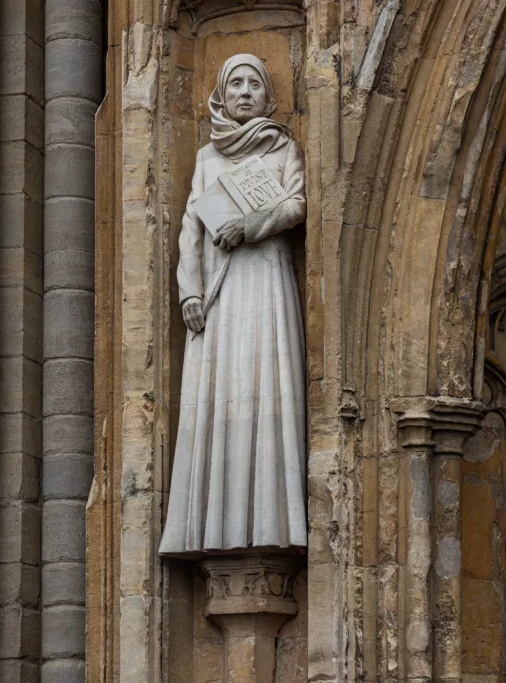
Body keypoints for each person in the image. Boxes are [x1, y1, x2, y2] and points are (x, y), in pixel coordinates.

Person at [158, 53, 307, 556]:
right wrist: (191, 291)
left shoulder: (283, 148)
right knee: (225, 391)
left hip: (264, 275)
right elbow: (190, 230)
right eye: (235, 83)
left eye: (255, 84)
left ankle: (270, 521)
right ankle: (213, 522)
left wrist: (250, 225)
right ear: (221, 94)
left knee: (265, 385)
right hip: (222, 285)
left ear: (269, 96)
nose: (245, 91)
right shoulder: (207, 158)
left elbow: (296, 204)